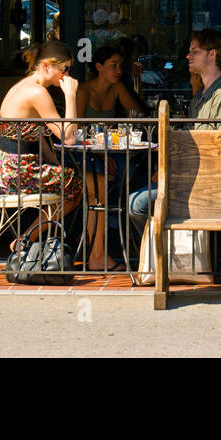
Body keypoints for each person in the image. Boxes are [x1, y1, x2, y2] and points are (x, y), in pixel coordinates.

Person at [127, 30, 221, 247]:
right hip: (197, 179)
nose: (188, 56)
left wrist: (174, 170)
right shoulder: (204, 95)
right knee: (136, 188)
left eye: (195, 51)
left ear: (213, 55)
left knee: (137, 203)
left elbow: (218, 153)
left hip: (213, 185)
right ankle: (163, 256)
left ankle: (163, 257)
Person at [0, 41, 84, 249]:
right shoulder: (37, 93)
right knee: (77, 186)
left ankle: (29, 238)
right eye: (64, 69)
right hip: (18, 172)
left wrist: (56, 164)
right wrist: (70, 96)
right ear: (46, 67)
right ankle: (27, 238)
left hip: (5, 170)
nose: (66, 75)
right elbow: (68, 137)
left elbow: (34, 136)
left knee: (69, 177)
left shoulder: (22, 86)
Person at [76, 44, 146, 271]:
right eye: (113, 65)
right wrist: (102, 153)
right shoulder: (84, 91)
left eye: (120, 66)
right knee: (102, 185)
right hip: (85, 154)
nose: (118, 70)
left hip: (109, 153)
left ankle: (107, 234)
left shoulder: (116, 88)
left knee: (127, 172)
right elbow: (76, 130)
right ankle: (98, 249)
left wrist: (131, 83)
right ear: (99, 67)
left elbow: (137, 112)